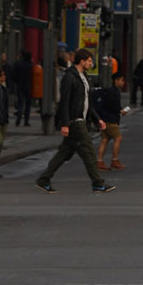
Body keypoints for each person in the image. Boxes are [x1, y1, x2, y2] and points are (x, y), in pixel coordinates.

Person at [35, 49, 115, 193]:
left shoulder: (84, 76)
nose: (92, 63)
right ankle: (98, 183)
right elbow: (65, 101)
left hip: (81, 120)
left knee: (63, 153)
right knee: (89, 151)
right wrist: (65, 124)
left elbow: (87, 102)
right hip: (75, 121)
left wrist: (98, 119)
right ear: (82, 61)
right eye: (89, 61)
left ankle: (43, 179)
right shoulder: (70, 77)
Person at [96, 73, 129, 171]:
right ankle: (115, 160)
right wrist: (120, 111)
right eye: (122, 80)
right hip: (110, 120)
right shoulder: (112, 91)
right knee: (118, 138)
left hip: (106, 119)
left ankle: (100, 161)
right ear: (116, 80)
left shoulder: (113, 91)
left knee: (104, 140)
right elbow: (111, 105)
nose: (123, 83)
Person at [11, 49, 33, 127]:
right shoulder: (31, 65)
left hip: (20, 84)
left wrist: (17, 81)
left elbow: (13, 74)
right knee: (28, 104)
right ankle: (26, 121)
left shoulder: (18, 64)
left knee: (20, 103)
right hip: (28, 85)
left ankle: (18, 119)